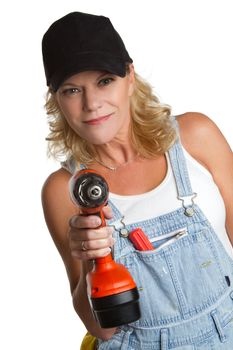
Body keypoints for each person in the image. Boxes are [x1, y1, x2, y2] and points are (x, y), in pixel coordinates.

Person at [41, 11, 233, 350]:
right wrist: (91, 257)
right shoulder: (64, 189)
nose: (92, 104)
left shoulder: (196, 136)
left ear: (130, 76)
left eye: (104, 81)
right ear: (56, 99)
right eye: (72, 90)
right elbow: (101, 330)